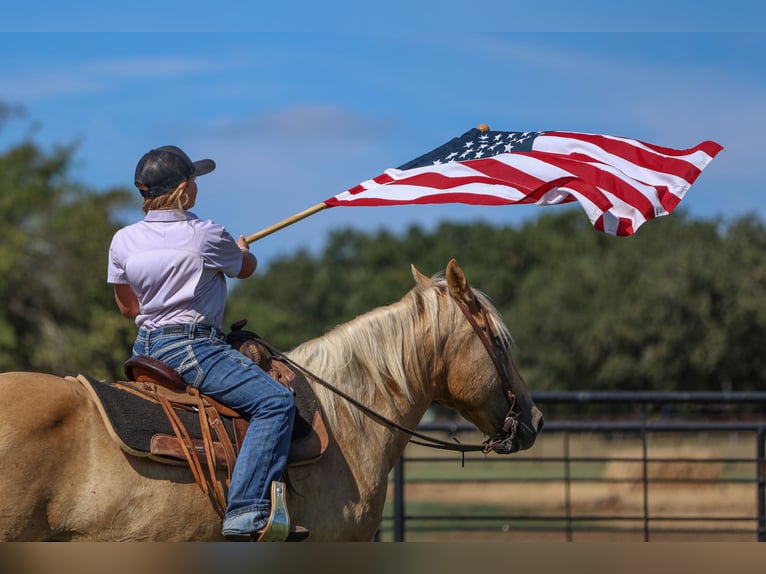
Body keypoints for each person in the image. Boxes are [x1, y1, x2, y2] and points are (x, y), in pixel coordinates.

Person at [107, 145, 307, 541]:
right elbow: (246, 270)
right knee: (276, 402)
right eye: (194, 180)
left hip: (144, 348)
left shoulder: (122, 240)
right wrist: (241, 251)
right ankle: (247, 510)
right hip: (192, 347)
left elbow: (129, 308)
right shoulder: (207, 234)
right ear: (184, 191)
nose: (197, 186)